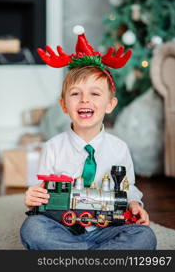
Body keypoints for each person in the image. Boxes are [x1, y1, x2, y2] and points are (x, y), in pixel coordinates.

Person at [20, 26, 157, 250]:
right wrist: (33, 196)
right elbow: (41, 189)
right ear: (64, 105)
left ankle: (75, 258)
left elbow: (128, 187)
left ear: (110, 104)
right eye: (75, 94)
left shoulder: (119, 148)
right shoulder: (53, 146)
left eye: (95, 94)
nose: (85, 100)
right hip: (62, 227)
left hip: (108, 227)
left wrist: (134, 204)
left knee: (145, 237)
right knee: (33, 228)